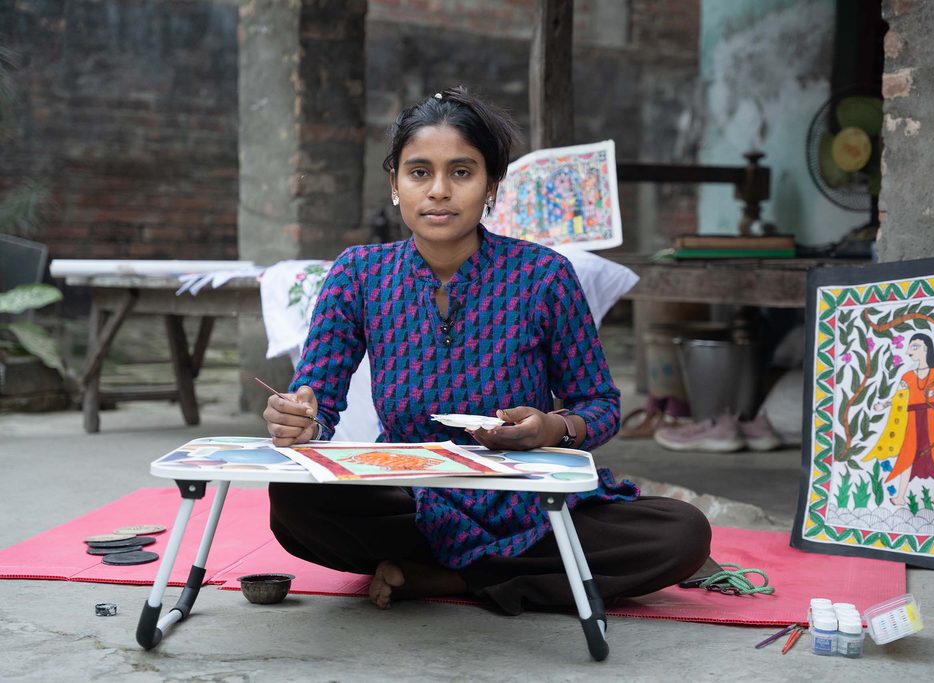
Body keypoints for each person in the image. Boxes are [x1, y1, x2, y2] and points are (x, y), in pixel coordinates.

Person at [263, 87, 711, 615]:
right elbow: (317, 398)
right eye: (419, 172)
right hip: (409, 497)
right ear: (394, 184)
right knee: (294, 499)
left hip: (526, 501)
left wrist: (552, 429)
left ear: (492, 185)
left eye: (461, 172)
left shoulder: (544, 276)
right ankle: (499, 572)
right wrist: (301, 418)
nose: (438, 192)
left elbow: (600, 406)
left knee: (681, 534)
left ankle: (448, 576)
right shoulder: (359, 274)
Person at [866, 332, 934, 507]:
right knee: (907, 454)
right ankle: (900, 496)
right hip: (912, 419)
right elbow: (898, 396)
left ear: (926, 348)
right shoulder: (908, 376)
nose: (909, 351)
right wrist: (884, 405)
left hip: (931, 418)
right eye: (909, 347)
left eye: (914, 346)